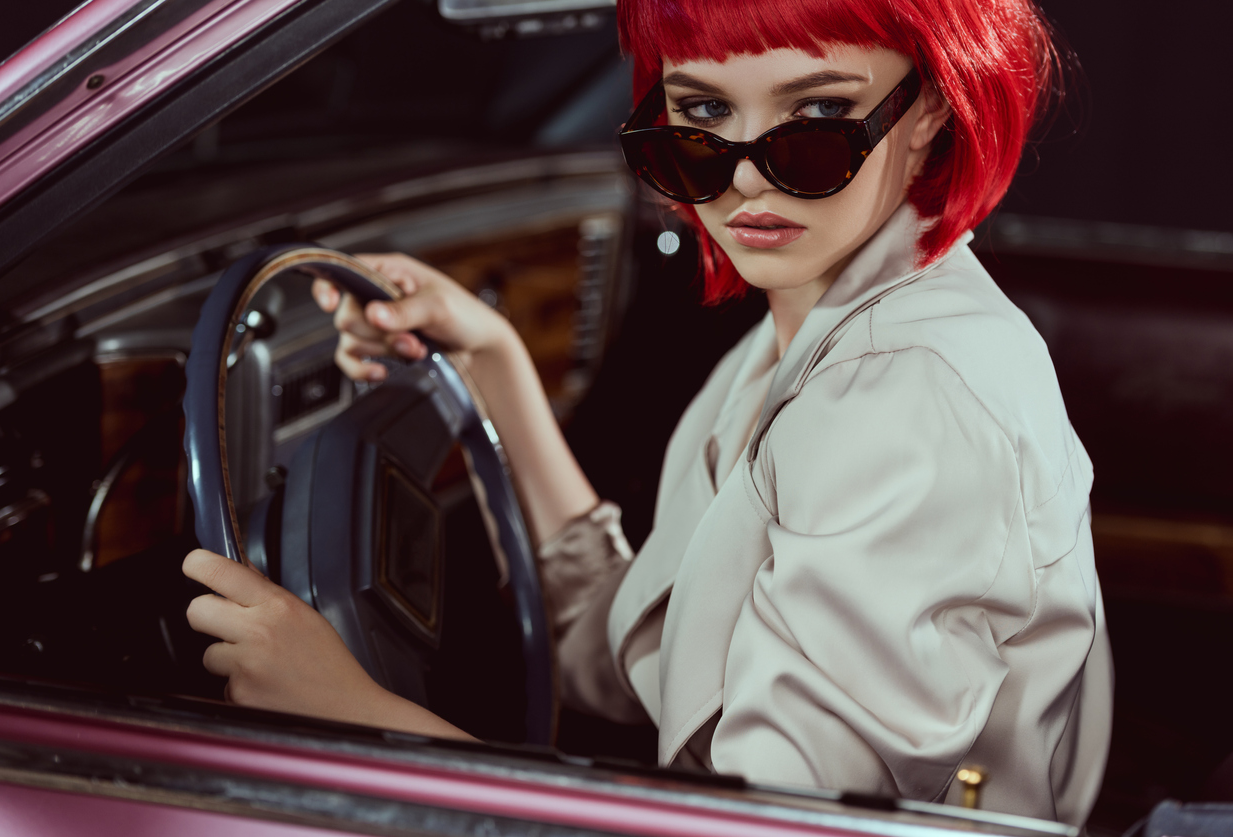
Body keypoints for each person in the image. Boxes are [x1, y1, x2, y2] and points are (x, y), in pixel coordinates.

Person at [183, 0, 1112, 825]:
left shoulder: (905, 400)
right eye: (703, 114)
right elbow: (641, 655)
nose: (746, 178)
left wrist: (350, 716)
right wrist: (496, 362)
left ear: (932, 112)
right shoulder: (812, 329)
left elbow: (751, 828)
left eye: (818, 116)